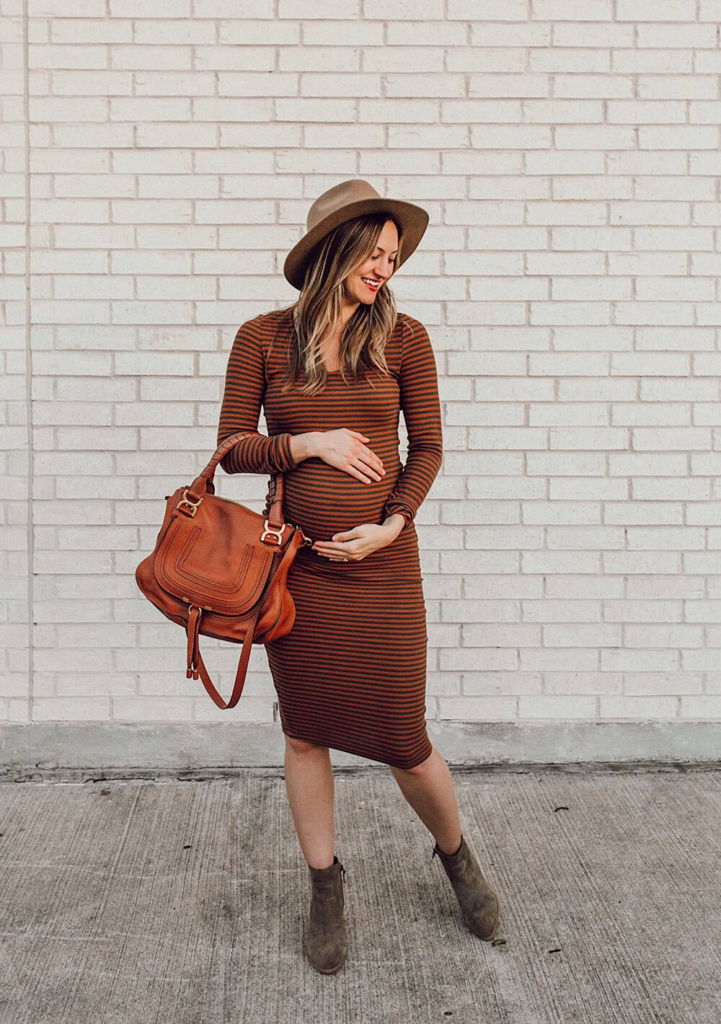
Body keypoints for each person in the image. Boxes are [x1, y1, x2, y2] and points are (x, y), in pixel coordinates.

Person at [217, 179, 500, 974]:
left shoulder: (403, 338)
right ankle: (324, 886)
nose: (385, 266)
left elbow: (428, 448)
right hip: (296, 571)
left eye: (392, 255)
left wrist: (392, 524)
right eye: (373, 253)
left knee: (404, 741)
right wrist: (308, 443)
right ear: (332, 252)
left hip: (382, 569)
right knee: (305, 732)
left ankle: (454, 857)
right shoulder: (264, 339)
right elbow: (234, 446)